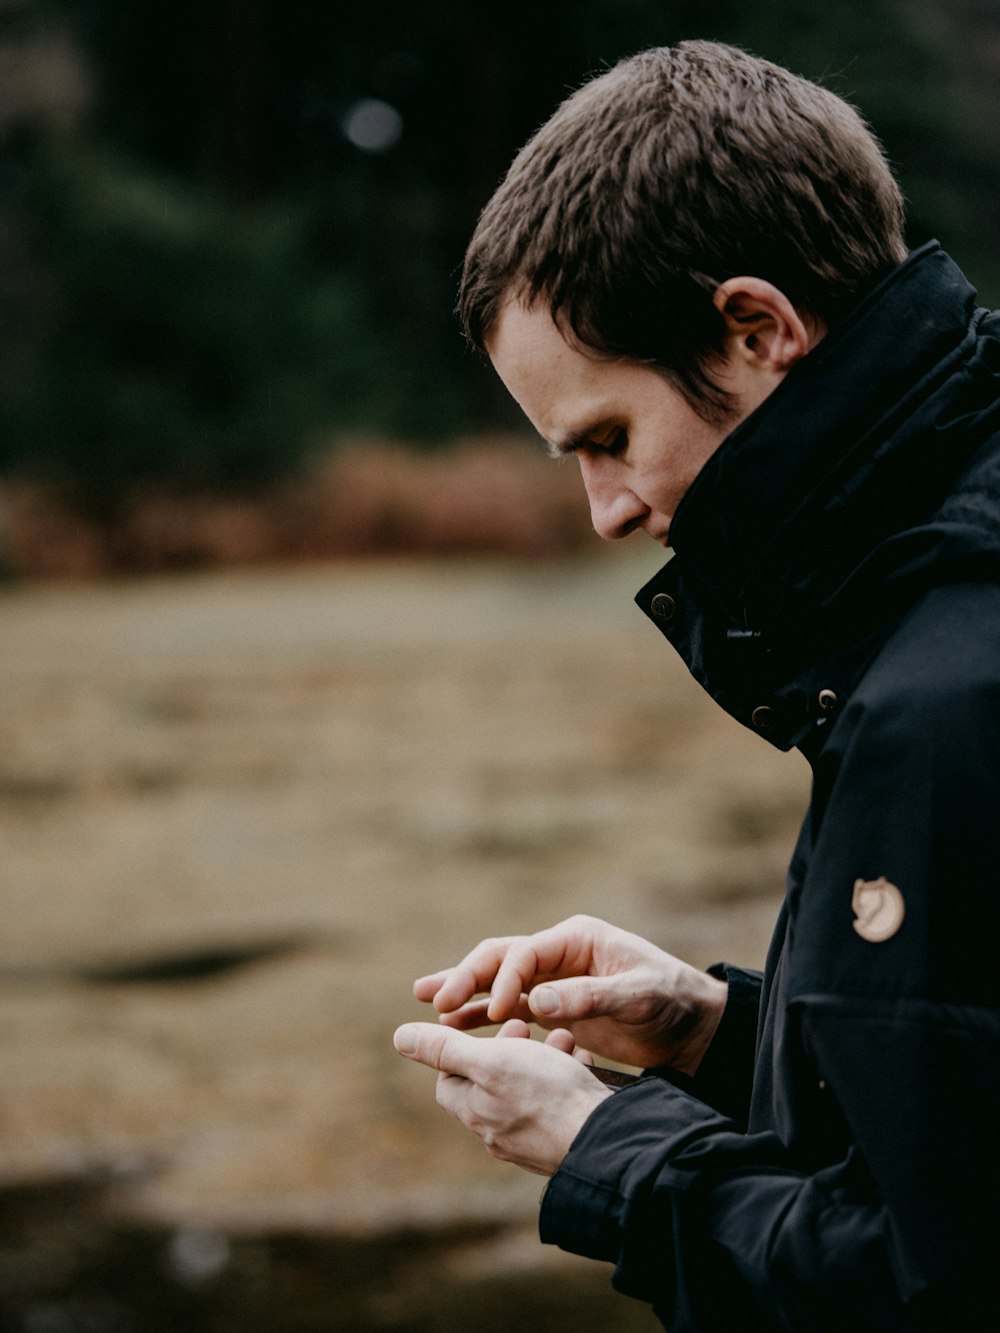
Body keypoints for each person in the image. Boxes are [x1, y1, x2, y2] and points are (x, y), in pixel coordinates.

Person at [392, 40, 1000, 1330]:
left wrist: (604, 1149)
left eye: (608, 438)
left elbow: (932, 1284)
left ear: (757, 328)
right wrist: (714, 1032)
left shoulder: (944, 695)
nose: (606, 511)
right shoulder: (933, 596)